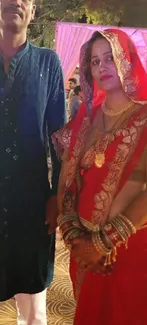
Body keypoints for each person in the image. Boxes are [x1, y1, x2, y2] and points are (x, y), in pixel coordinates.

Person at [52, 29, 147, 325]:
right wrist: (73, 236)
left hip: (130, 248)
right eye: (94, 61)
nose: (102, 67)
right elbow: (68, 178)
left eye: (110, 57)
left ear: (128, 60)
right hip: (83, 250)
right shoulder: (88, 118)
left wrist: (105, 241)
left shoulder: (144, 118)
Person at [0, 0, 66, 324]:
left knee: (34, 314)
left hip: (33, 210)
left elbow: (59, 138)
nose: (16, 1)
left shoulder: (47, 63)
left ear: (33, 11)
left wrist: (57, 195)